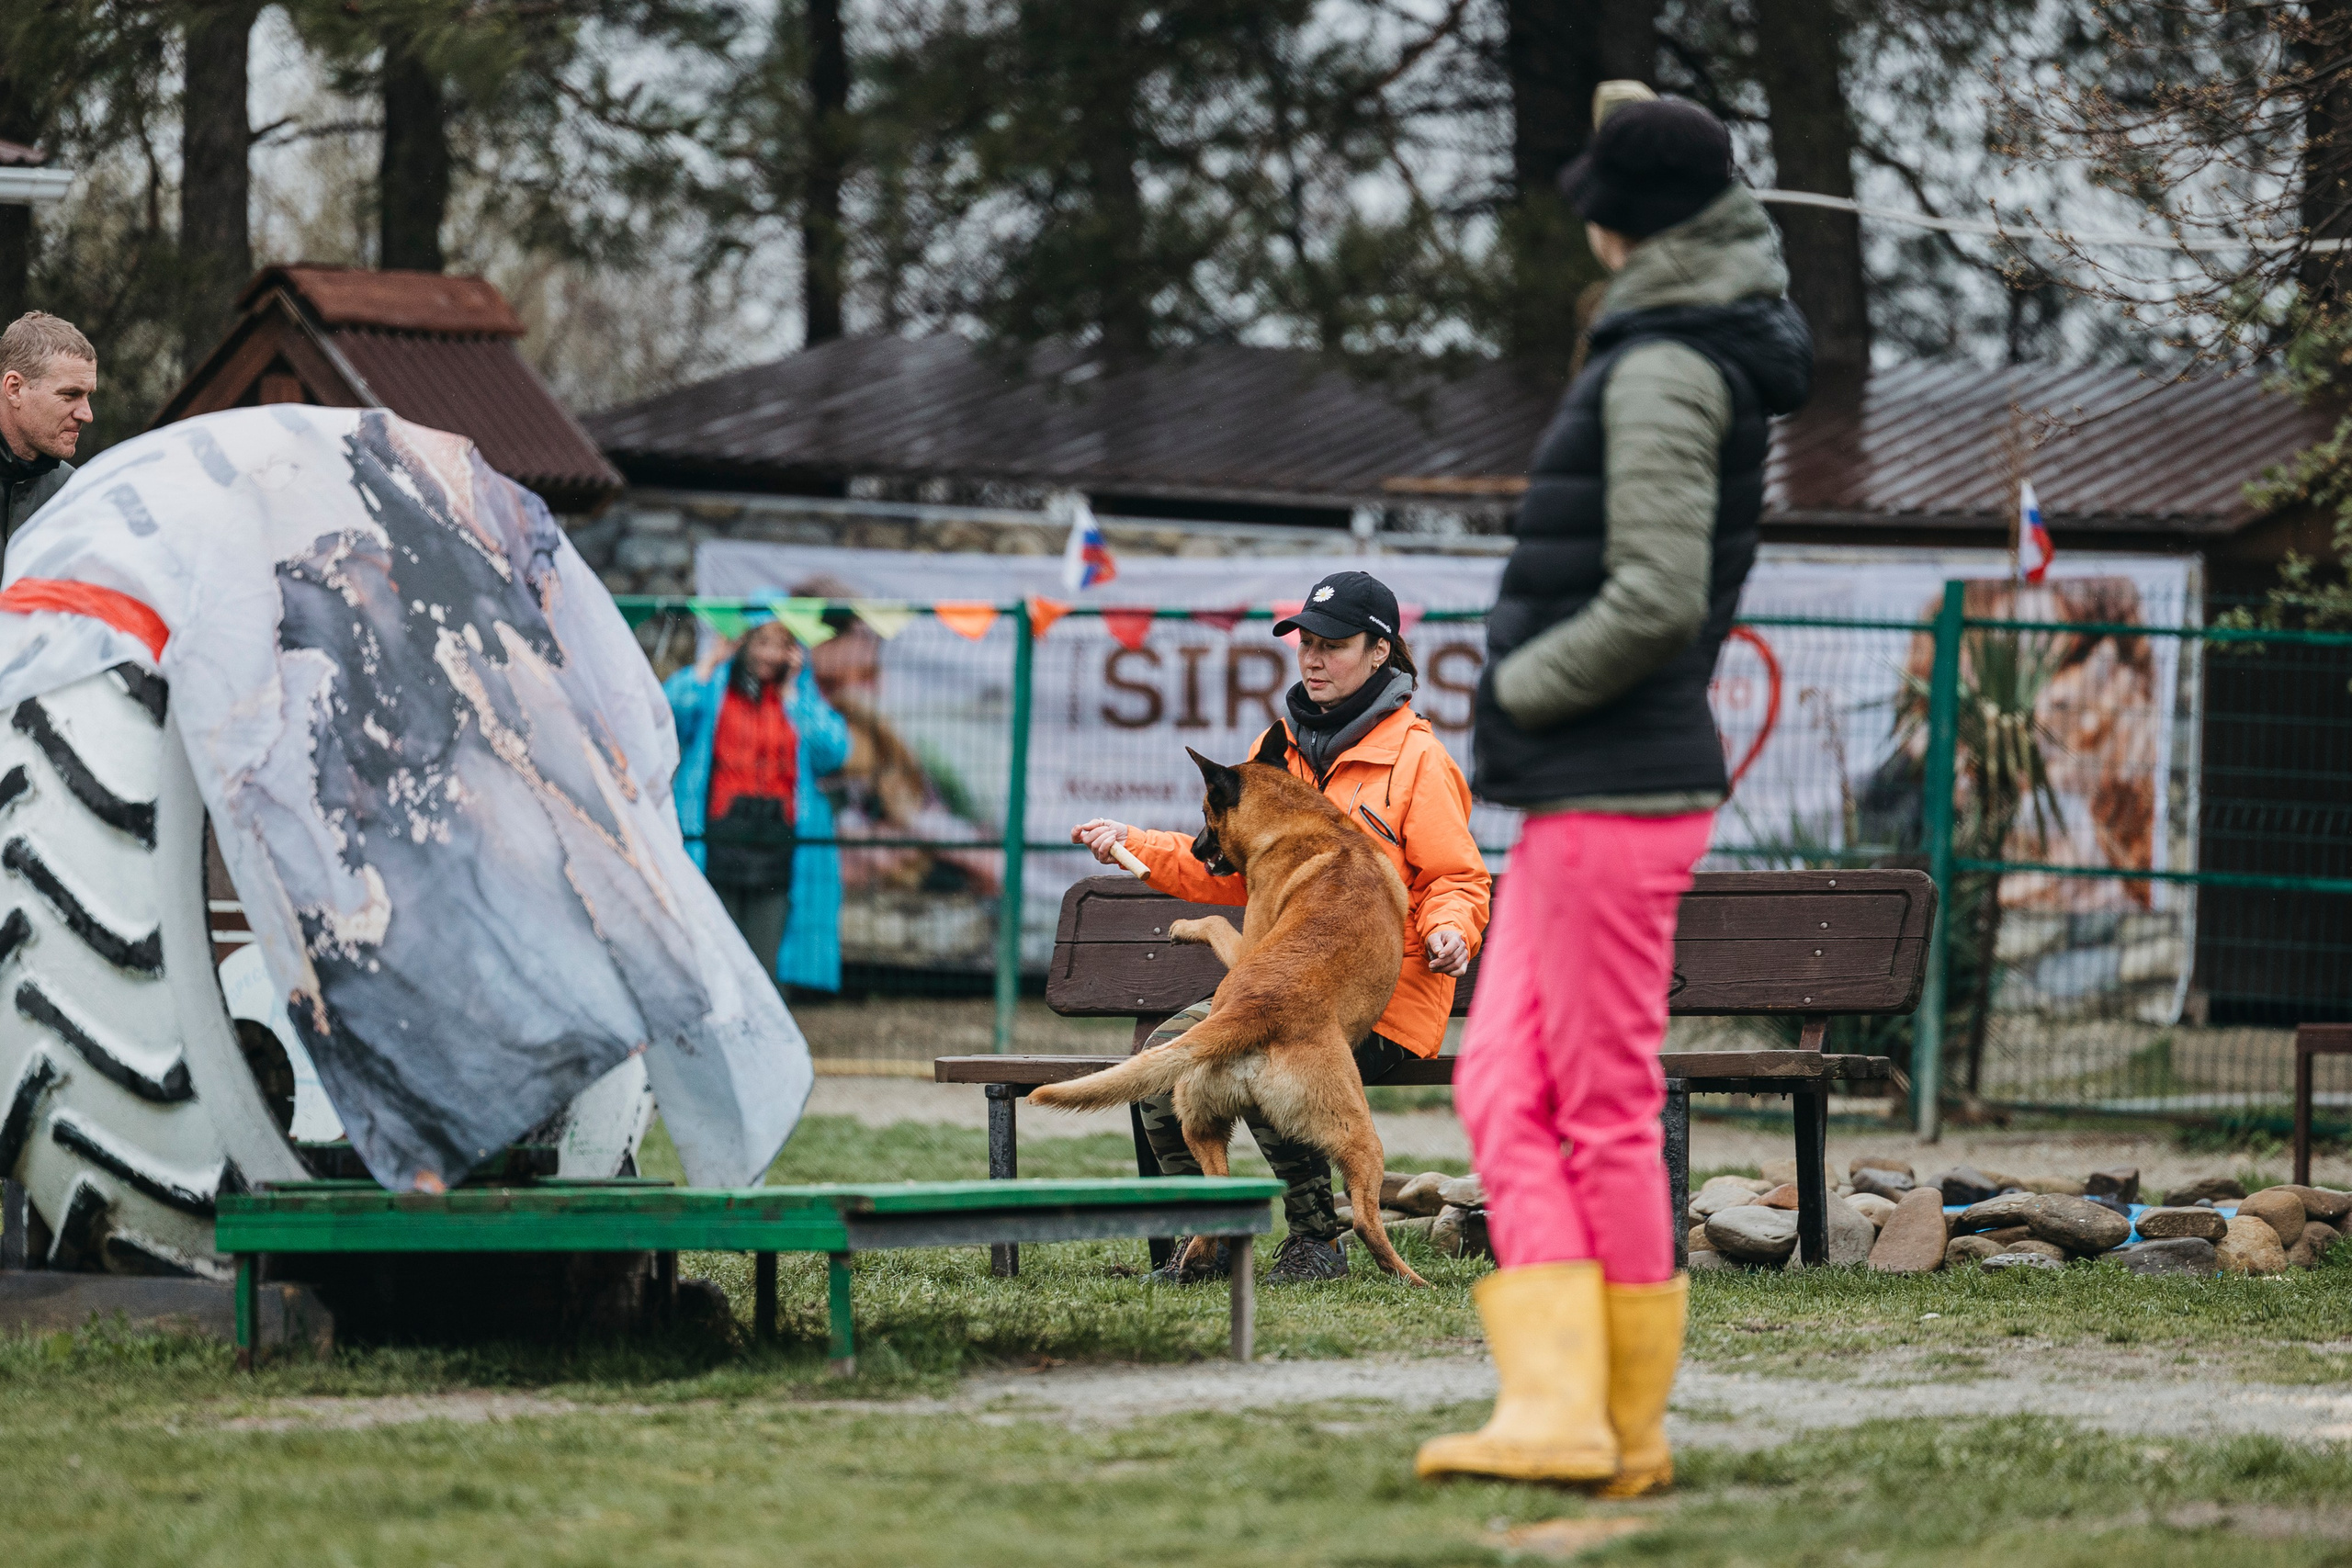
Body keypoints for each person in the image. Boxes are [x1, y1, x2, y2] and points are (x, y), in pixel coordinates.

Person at [1415, 88, 1813, 1495]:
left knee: (1584, 1094)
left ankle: (1592, 1417)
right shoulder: (1687, 329)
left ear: (1625, 223)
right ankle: (1581, 1409)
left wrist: (1515, 688)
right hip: (1601, 785)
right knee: (1501, 1078)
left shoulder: (1664, 365)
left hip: (1613, 781)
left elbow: (1649, 599)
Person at [1071, 570, 1491, 1284]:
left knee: (1262, 1060)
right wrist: (1134, 844)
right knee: (1166, 1057)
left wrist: (1453, 927)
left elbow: (1457, 878)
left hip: (1380, 1002)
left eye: (1333, 644)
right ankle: (1201, 1248)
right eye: (1306, 642)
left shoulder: (1419, 760)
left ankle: (1315, 1243)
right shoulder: (1278, 750)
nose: (1313, 657)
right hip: (1279, 982)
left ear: (1379, 652)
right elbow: (1226, 865)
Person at [666, 616, 851, 983]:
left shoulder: (799, 698)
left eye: (779, 644)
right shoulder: (714, 690)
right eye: (760, 642)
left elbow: (833, 751)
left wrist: (794, 698)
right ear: (744, 642)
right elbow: (669, 711)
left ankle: (766, 1034)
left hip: (777, 848)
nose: (768, 654)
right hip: (717, 840)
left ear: (793, 652)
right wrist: (708, 663)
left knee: (765, 959)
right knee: (712, 952)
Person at [0, 311, 97, 548]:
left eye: (88, 395)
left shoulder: (73, 494)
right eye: (70, 395)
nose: (87, 414)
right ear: (14, 389)